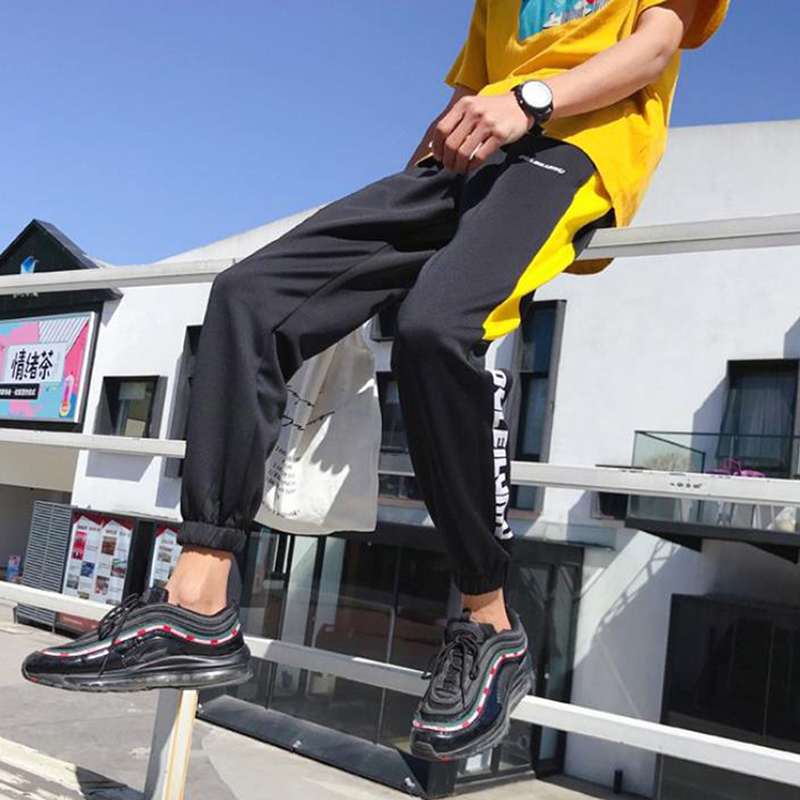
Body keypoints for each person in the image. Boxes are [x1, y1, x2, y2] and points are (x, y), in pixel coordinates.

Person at [23, 0, 728, 763]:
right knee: (250, 296)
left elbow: (656, 48)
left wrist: (530, 99)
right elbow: (466, 101)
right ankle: (197, 603)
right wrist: (396, 210)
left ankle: (491, 625)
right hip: (466, 165)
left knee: (435, 328)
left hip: (575, 144)